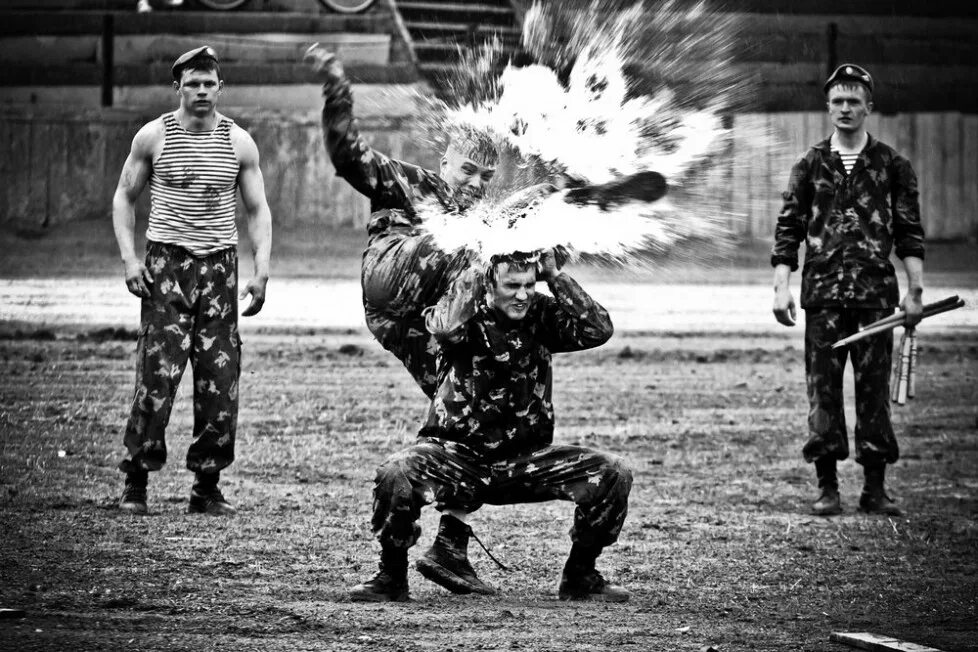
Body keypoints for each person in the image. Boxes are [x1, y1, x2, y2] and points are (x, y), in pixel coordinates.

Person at [348, 249, 633, 602]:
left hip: (522, 461)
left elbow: (597, 329)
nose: (522, 294)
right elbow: (445, 328)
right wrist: (474, 270)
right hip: (455, 457)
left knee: (612, 473)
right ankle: (391, 576)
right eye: (512, 285)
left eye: (529, 284)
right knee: (397, 472)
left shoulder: (539, 313)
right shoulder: (465, 311)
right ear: (489, 282)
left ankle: (580, 577)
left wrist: (556, 278)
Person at [111, 46, 273, 516]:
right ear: (177, 87)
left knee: (220, 378)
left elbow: (258, 209)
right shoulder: (153, 136)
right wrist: (129, 260)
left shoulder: (239, 142)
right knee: (156, 376)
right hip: (167, 266)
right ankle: (136, 481)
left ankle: (206, 484)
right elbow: (124, 198)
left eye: (209, 84)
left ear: (220, 88)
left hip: (220, 268)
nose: (201, 91)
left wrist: (261, 269)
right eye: (192, 84)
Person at [771, 63, 925, 517]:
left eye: (853, 101)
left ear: (868, 107)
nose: (845, 108)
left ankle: (874, 489)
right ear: (828, 105)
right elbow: (788, 230)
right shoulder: (810, 164)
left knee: (874, 393)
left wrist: (915, 292)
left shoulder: (893, 165)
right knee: (823, 394)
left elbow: (909, 232)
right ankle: (828, 487)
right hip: (822, 297)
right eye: (837, 100)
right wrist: (782, 288)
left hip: (876, 299)